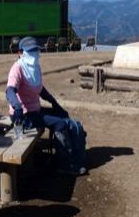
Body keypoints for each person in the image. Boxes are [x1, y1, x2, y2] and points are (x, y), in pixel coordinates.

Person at [6, 36, 86, 175]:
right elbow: (10, 91)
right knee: (60, 124)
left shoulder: (35, 67)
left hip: (34, 111)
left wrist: (53, 102)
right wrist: (17, 107)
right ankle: (64, 164)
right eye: (30, 51)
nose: (34, 54)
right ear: (20, 52)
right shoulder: (17, 69)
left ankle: (70, 153)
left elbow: (40, 89)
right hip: (23, 116)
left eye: (36, 50)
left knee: (63, 116)